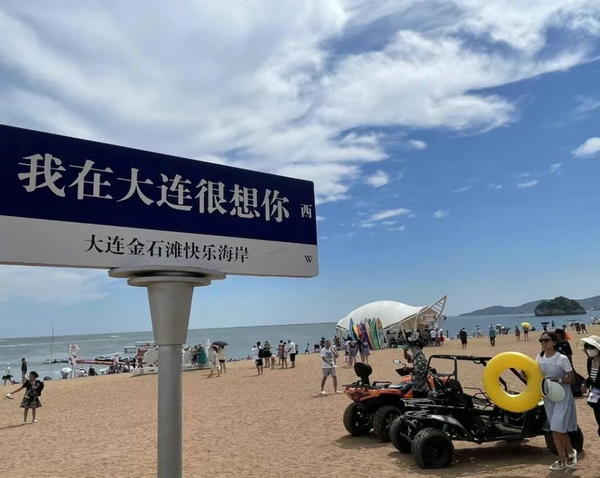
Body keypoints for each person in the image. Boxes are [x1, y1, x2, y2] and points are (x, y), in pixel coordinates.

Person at [536, 332, 578, 470]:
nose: (543, 343)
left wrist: (559, 380)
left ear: (554, 342)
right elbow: (536, 375)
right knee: (555, 429)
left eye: (546, 340)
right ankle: (566, 455)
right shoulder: (540, 357)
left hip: (562, 396)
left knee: (557, 427)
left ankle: (566, 455)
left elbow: (572, 379)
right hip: (548, 396)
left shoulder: (561, 358)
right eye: (541, 340)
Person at [578, 335, 600, 437]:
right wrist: (585, 383)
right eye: (587, 347)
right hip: (596, 397)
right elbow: (592, 377)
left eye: (592, 347)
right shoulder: (590, 361)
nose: (589, 349)